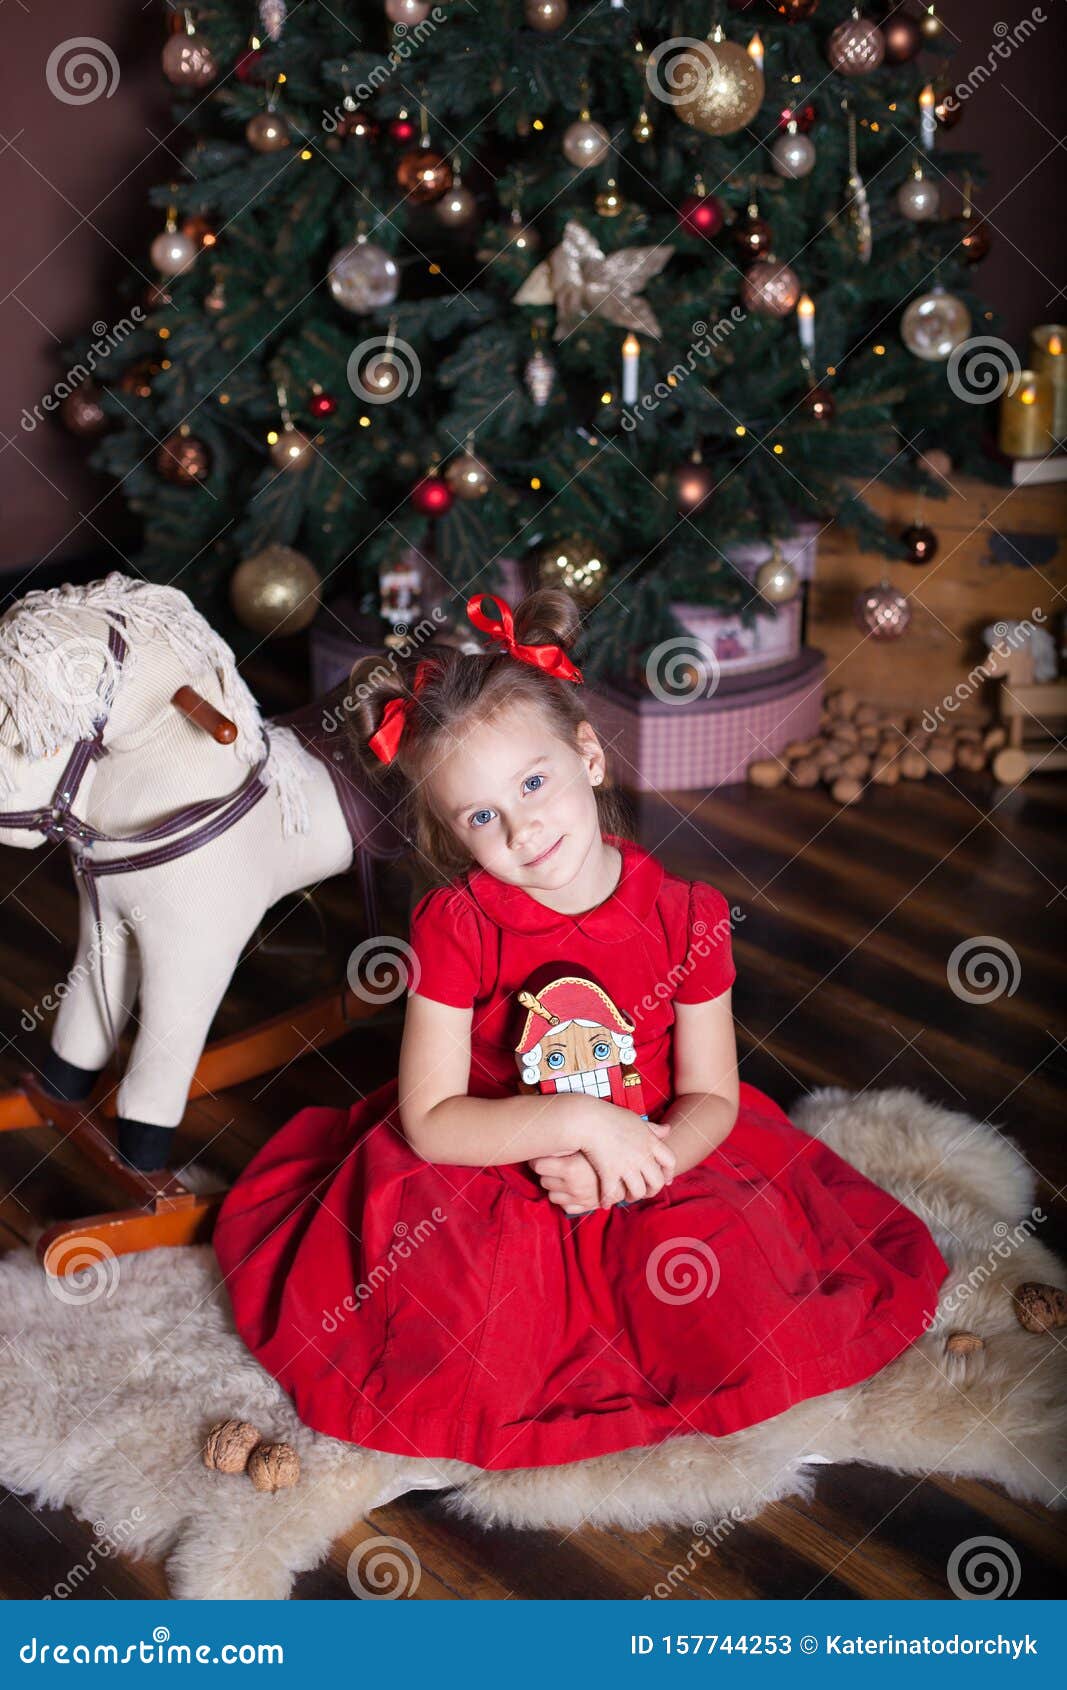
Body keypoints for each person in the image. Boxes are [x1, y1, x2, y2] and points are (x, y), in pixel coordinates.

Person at [212, 589, 949, 1473]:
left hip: (660, 1146)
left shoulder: (684, 916)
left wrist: (649, 1159)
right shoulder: (458, 923)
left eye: (533, 783)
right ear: (452, 833)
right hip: (493, 1151)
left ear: (588, 756)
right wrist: (576, 1123)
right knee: (470, 1328)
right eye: (480, 816)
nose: (521, 828)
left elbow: (713, 1094)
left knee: (730, 1295)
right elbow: (433, 1121)